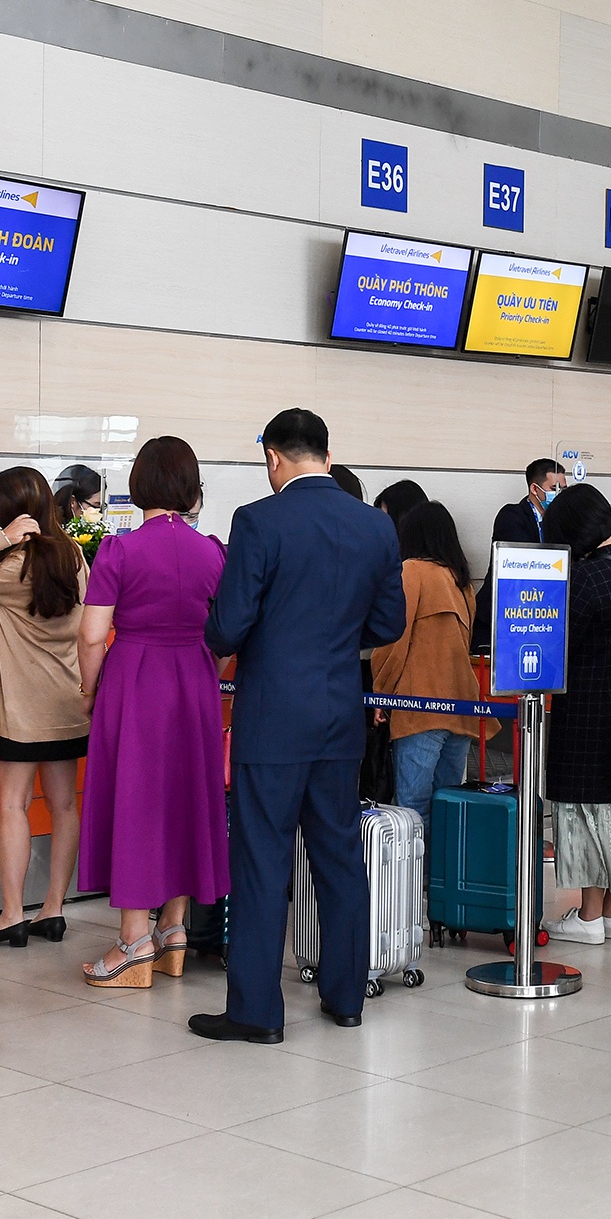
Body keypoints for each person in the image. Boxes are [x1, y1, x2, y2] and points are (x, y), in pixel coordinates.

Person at [192, 409, 405, 1043]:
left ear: (273, 458)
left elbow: (227, 628)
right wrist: (333, 644)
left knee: (262, 859)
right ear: (327, 455)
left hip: (273, 717)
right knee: (339, 855)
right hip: (340, 713)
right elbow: (387, 624)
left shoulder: (258, 520)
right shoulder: (373, 526)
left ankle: (256, 1012)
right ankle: (346, 998)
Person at [73, 437, 229, 988]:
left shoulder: (120, 550)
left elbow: (92, 636)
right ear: (190, 487)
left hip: (135, 679)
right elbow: (227, 633)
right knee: (186, 796)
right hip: (195, 679)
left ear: (139, 485)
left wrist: (89, 690)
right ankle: (174, 930)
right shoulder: (213, 550)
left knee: (136, 800)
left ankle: (134, 938)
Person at [0, 467, 90, 948]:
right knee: (65, 806)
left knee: (14, 803)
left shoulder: (12, 568)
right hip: (69, 700)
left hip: (23, 709)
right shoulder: (73, 557)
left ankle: (10, 914)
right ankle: (53, 909)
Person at [539, 484, 611, 944]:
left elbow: (560, 642)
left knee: (587, 806)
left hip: (587, 708)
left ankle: (588, 916)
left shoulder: (584, 579)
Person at [372, 501, 495, 820]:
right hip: (461, 707)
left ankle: (417, 872)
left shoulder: (411, 570)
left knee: (412, 807)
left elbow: (393, 641)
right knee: (448, 806)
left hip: (421, 707)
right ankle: (443, 871)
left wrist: (380, 693)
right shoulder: (461, 579)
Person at [473, 458, 568, 652]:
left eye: (564, 490)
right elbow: (526, 559)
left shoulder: (562, 522)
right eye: (554, 488)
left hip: (543, 615)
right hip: (505, 614)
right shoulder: (512, 515)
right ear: (535, 489)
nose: (561, 495)